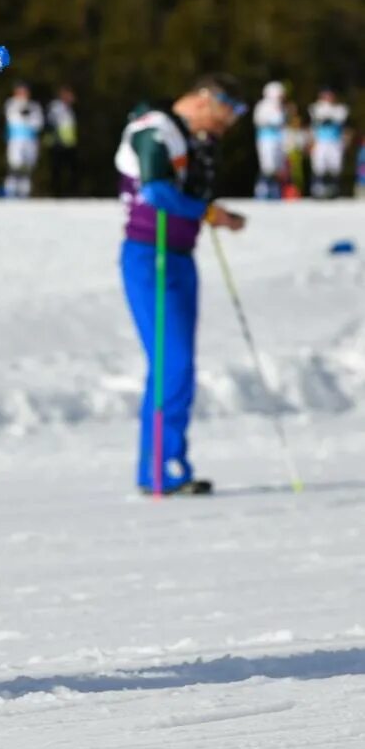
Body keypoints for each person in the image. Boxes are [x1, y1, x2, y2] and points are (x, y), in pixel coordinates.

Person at [114, 74, 248, 496]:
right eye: (230, 111)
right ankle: (159, 470)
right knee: (172, 363)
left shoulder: (191, 138)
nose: (231, 123)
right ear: (207, 99)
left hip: (179, 257)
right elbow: (156, 192)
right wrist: (210, 214)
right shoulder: (155, 129)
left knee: (179, 366)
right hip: (149, 255)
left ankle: (169, 461)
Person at [2, 83, 45, 198]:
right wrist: (23, 115)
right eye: (20, 92)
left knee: (28, 165)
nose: (23, 94)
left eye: (25, 92)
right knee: (15, 164)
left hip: (30, 139)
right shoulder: (11, 103)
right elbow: (12, 118)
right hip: (16, 139)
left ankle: (24, 190)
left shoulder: (34, 105)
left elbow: (38, 123)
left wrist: (28, 118)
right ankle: (10, 189)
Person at [308, 88, 349, 199]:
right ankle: (318, 189)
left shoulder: (339, 108)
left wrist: (328, 116)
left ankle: (333, 189)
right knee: (319, 165)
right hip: (321, 141)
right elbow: (316, 117)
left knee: (334, 165)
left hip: (334, 141)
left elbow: (340, 118)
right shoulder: (315, 107)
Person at [252, 81, 287, 199]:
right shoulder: (263, 105)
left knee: (277, 167)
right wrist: (272, 121)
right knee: (268, 166)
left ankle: (274, 189)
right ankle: (262, 190)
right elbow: (259, 120)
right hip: (266, 139)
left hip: (278, 139)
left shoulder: (280, 107)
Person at [46, 85, 78, 197]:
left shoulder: (70, 109)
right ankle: (57, 193)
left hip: (69, 143)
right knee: (57, 170)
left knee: (70, 169)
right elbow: (51, 123)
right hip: (58, 143)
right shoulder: (56, 107)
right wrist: (56, 138)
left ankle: (68, 192)